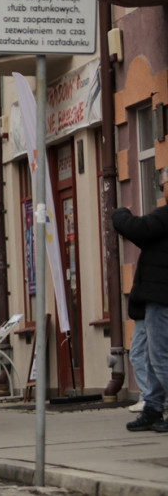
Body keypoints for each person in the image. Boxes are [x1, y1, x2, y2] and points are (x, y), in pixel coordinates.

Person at [113, 167, 168, 433]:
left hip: (161, 299)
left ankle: (155, 407)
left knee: (159, 357)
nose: (162, 188)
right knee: (147, 356)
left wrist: (119, 213)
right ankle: (153, 408)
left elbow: (139, 228)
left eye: (163, 183)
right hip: (152, 300)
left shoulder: (165, 216)